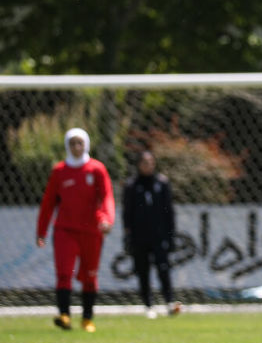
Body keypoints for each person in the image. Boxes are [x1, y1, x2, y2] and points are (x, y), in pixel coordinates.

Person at [35, 128, 115, 332]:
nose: (77, 147)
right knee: (64, 272)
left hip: (91, 231)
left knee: (90, 275)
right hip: (65, 230)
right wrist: (41, 230)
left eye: (80, 143)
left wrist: (107, 219)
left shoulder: (97, 169)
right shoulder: (59, 171)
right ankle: (64, 316)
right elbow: (48, 203)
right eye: (72, 143)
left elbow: (106, 197)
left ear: (86, 145)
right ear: (67, 146)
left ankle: (87, 319)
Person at [123, 150, 181, 319]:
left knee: (163, 268)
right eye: (144, 163)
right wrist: (128, 235)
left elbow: (169, 211)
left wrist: (170, 235)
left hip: (159, 235)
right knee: (143, 270)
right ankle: (148, 305)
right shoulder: (131, 185)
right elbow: (127, 213)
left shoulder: (162, 183)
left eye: (150, 162)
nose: (147, 166)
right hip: (139, 236)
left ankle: (169, 302)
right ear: (139, 164)